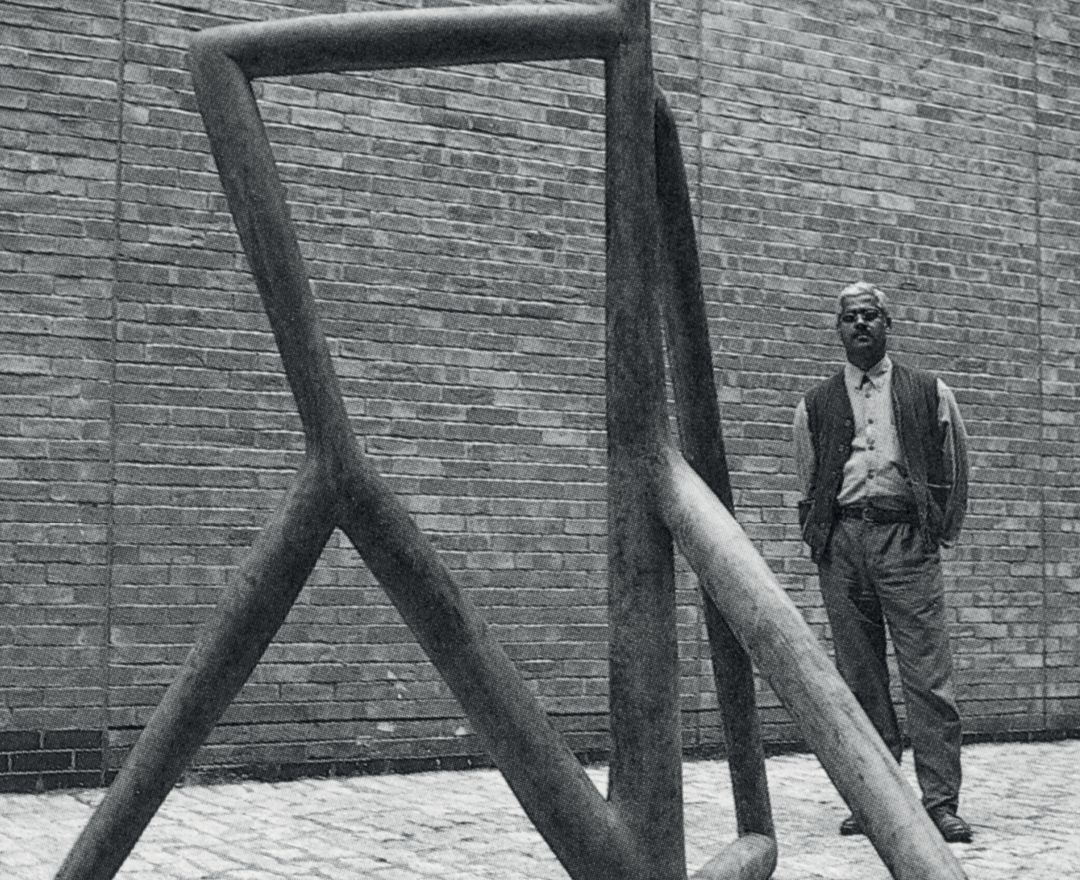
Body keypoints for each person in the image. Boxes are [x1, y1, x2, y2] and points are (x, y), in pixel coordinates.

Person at [792, 281, 972, 843]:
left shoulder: (928, 392)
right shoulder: (815, 403)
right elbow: (808, 478)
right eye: (850, 318)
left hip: (906, 541)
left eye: (870, 315)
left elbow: (956, 467)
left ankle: (940, 802)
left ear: (887, 324)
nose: (861, 325)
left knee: (928, 678)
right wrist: (821, 539)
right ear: (838, 329)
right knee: (859, 680)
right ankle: (876, 799)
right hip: (844, 546)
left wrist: (938, 531)